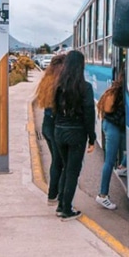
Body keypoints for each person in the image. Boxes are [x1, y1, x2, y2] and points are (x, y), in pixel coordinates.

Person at [53, 50, 96, 221]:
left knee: (65, 168)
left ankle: (60, 205)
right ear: (81, 66)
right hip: (76, 133)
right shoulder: (85, 87)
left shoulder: (58, 85)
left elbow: (55, 110)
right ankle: (66, 209)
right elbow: (89, 114)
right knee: (72, 171)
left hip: (59, 131)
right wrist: (92, 138)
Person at [34, 53, 66, 204]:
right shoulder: (60, 83)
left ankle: (54, 193)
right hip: (55, 125)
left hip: (47, 125)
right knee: (58, 162)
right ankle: (53, 194)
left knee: (56, 160)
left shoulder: (47, 80)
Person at [96, 70, 126, 210]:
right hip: (113, 127)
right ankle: (102, 195)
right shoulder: (122, 91)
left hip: (114, 125)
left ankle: (122, 167)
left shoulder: (118, 88)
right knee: (109, 161)